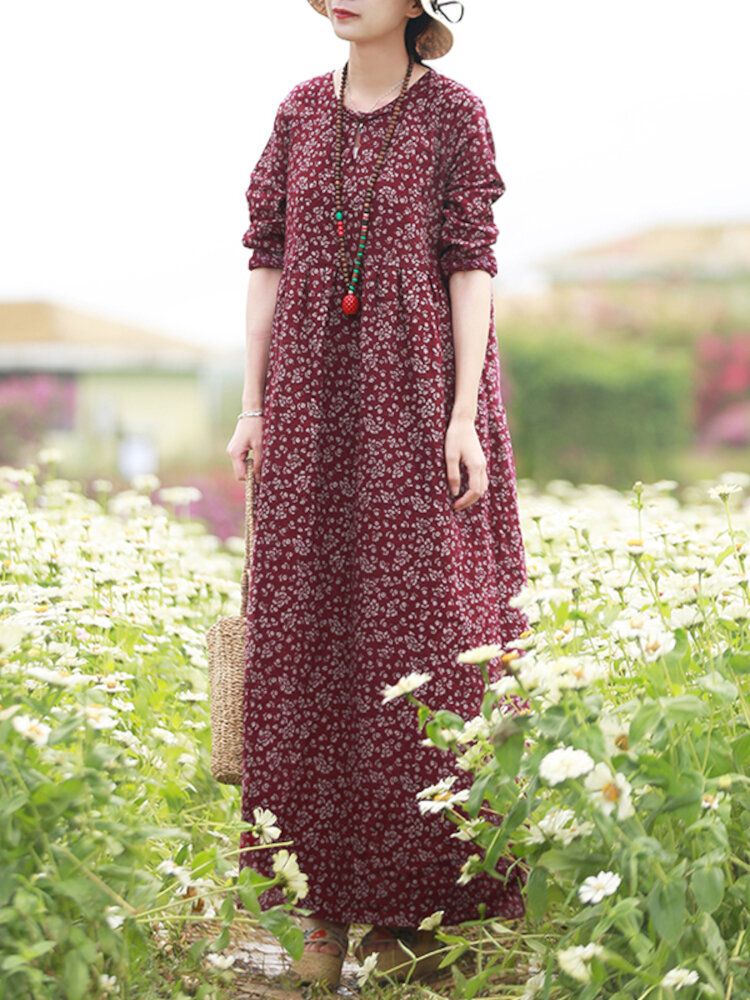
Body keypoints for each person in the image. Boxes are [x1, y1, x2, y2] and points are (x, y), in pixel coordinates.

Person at [225, 0, 531, 988]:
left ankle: (413, 913)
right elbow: (266, 260)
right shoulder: (297, 113)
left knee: (433, 648)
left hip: (418, 397)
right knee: (309, 639)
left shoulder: (456, 115)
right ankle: (320, 911)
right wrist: (252, 405)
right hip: (309, 400)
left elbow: (471, 263)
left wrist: (460, 416)